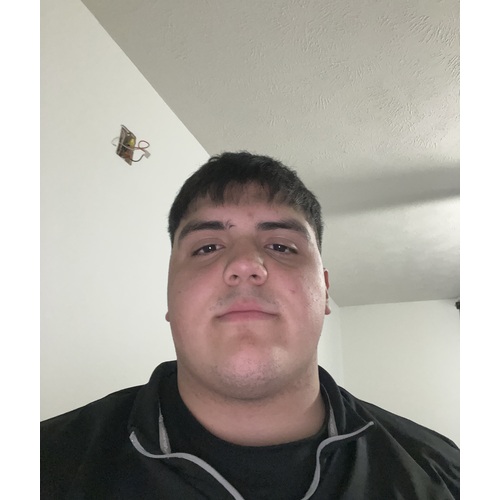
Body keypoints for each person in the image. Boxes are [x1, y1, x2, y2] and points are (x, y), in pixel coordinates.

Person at [41, 151, 459, 499]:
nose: (244, 264)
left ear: (324, 291)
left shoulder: (446, 472)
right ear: (170, 296)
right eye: (207, 247)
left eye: (281, 246)